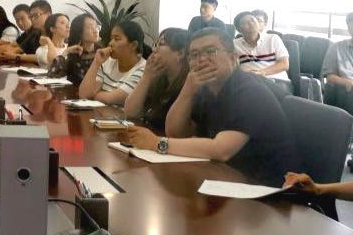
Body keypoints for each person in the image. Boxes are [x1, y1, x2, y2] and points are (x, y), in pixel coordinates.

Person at [125, 28, 299, 187]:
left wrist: (157, 143)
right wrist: (187, 91)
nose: (201, 59)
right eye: (194, 55)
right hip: (228, 177)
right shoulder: (206, 89)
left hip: (268, 189)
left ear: (233, 58)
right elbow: (175, 132)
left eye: (210, 52)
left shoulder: (249, 91)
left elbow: (221, 150)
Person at [124, 28, 190, 131]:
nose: (154, 50)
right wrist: (146, 77)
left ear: (180, 53)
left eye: (161, 44)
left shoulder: (188, 86)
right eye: (155, 44)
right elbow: (130, 112)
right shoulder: (159, 80)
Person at [78, 20, 147, 106]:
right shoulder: (108, 61)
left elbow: (111, 99)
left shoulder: (143, 69)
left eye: (117, 39)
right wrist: (96, 62)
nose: (110, 43)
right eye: (111, 39)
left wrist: (94, 95)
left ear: (133, 45)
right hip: (99, 113)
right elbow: (84, 94)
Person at [232, 11, 289, 80]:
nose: (251, 23)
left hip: (276, 80)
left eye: (253, 20)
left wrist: (261, 72)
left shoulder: (273, 38)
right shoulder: (234, 44)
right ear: (239, 29)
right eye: (245, 23)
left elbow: (284, 64)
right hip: (248, 81)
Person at [49, 13, 100, 85]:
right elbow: (52, 75)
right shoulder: (74, 55)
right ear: (79, 32)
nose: (96, 31)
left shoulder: (101, 54)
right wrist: (66, 52)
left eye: (97, 27)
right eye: (90, 27)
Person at [322, 12, 353, 112]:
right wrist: (348, 83)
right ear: (349, 28)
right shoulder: (336, 48)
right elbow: (330, 77)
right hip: (345, 94)